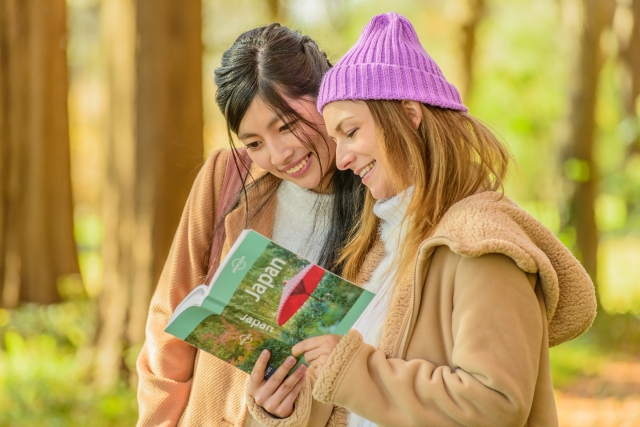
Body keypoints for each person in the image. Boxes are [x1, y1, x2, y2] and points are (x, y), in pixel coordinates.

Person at [289, 12, 597, 427]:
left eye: (350, 132)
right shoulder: (378, 250)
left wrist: (353, 369)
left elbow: (494, 404)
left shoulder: (479, 242)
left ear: (410, 115)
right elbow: (361, 402)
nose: (342, 159)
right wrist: (287, 403)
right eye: (334, 140)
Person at [136, 23, 366, 426]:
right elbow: (167, 320)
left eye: (287, 125)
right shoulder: (227, 176)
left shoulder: (378, 193)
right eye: (254, 143)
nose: (279, 155)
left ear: (326, 96)